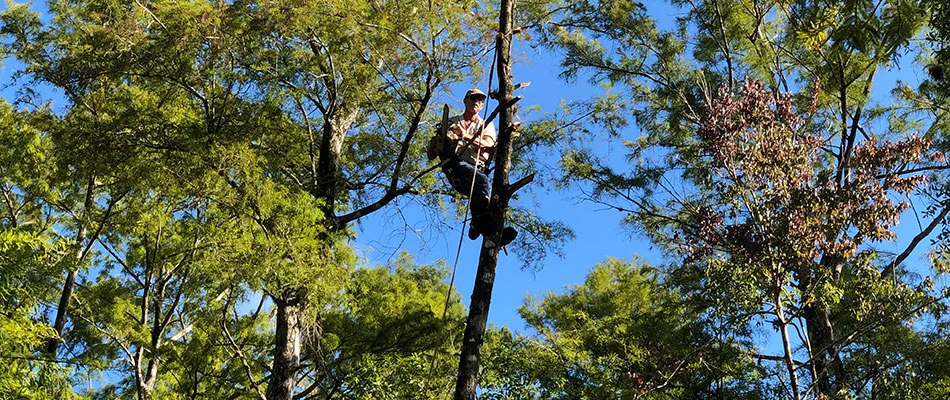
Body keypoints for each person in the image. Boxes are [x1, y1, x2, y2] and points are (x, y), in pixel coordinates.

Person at [431, 88, 517, 247]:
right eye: (473, 98)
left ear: (483, 105)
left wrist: (464, 135)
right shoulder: (453, 122)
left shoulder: (485, 125)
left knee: (482, 196)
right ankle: (482, 226)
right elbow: (432, 152)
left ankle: (483, 228)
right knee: (483, 183)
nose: (476, 101)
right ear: (465, 100)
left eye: (480, 100)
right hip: (456, 167)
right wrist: (440, 140)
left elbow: (489, 145)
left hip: (476, 168)